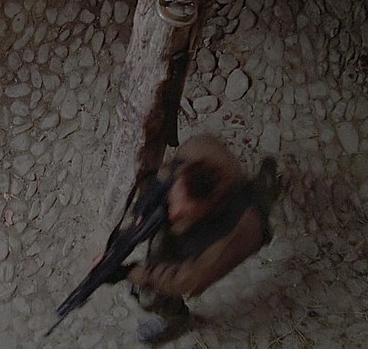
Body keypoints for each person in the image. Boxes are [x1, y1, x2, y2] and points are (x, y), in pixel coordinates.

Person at [113, 134, 278, 343]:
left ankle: (177, 321)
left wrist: (129, 272)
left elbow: (187, 279)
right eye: (174, 201)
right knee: (162, 238)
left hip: (231, 226)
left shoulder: (233, 237)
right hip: (207, 209)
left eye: (182, 211)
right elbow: (168, 173)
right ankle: (259, 189)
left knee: (152, 295)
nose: (173, 212)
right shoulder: (199, 158)